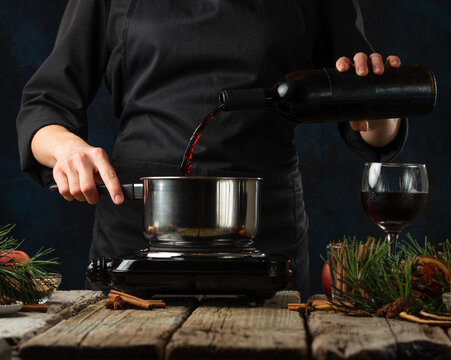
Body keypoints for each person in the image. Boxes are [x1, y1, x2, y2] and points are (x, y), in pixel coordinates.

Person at [16, 0, 407, 300]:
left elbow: (371, 124)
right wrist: (67, 148)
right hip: (136, 231)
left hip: (261, 234)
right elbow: (45, 104)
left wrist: (379, 109)